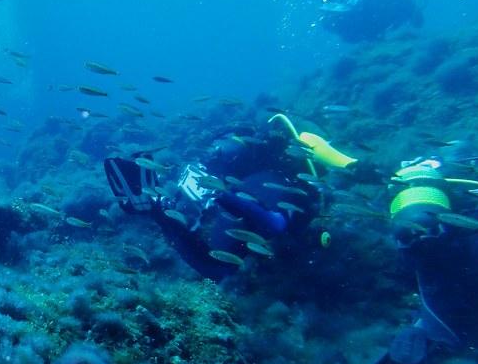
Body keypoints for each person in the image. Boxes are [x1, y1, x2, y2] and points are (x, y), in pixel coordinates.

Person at [104, 114, 357, 282]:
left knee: (219, 267)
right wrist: (223, 196)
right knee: (224, 267)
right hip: (247, 195)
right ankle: (176, 204)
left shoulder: (272, 172)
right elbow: (276, 225)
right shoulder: (288, 181)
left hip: (236, 195)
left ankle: (157, 207)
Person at [364, 153, 478, 364]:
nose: (423, 243)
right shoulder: (424, 257)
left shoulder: (477, 247)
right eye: (410, 237)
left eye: (430, 235)